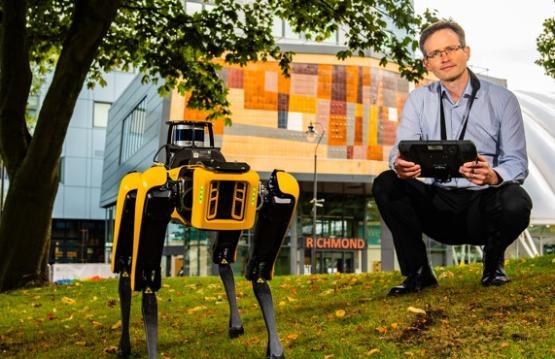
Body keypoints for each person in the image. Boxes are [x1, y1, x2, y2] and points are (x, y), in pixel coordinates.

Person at [373, 19, 532, 296]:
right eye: (434, 54)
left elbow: (517, 163)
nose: (444, 58)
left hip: (483, 205)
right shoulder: (418, 100)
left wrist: (494, 175)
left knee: (516, 199)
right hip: (437, 204)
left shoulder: (503, 100)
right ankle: (418, 273)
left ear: (466, 51)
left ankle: (493, 266)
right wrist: (400, 165)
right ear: (427, 64)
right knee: (387, 183)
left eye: (450, 49)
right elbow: (399, 150)